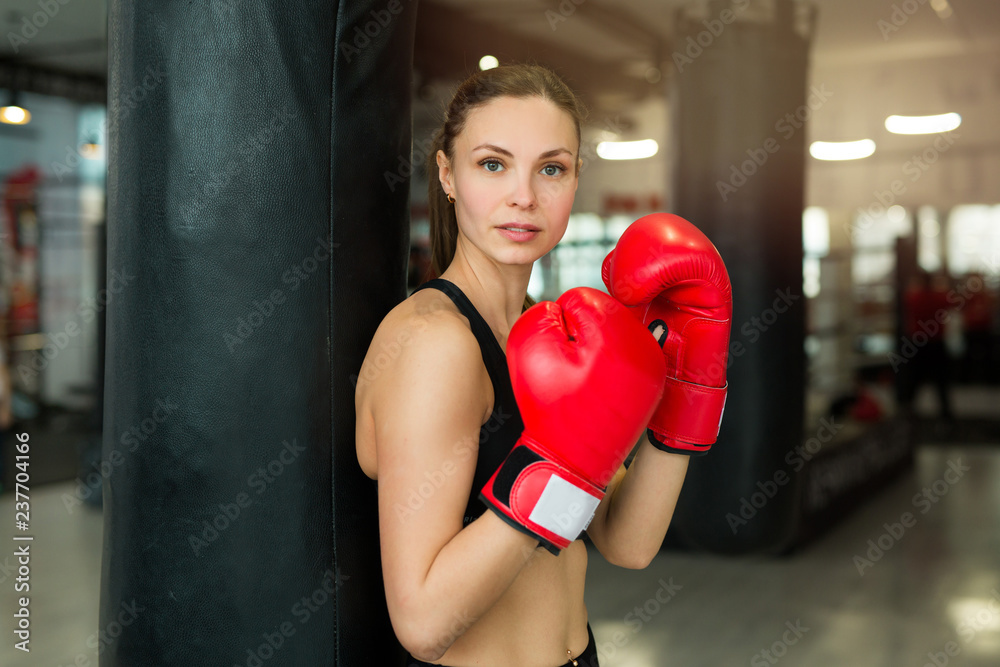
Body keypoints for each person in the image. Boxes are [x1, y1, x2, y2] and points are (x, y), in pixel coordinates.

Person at [355, 64, 731, 667]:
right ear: (448, 175)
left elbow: (625, 542)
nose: (524, 196)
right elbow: (422, 621)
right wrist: (559, 461)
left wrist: (689, 379)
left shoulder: (546, 333)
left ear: (577, 178)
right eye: (493, 164)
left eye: (550, 168)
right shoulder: (435, 344)